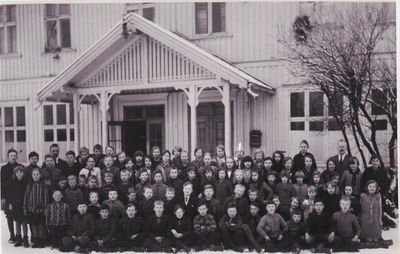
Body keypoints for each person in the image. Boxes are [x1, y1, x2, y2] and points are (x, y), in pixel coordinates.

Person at [23, 168, 49, 248]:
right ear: (32, 175)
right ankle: (36, 239)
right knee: (34, 225)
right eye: (34, 174)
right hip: (32, 209)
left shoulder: (44, 185)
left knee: (41, 225)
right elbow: (26, 197)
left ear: (40, 175)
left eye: (37, 174)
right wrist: (25, 207)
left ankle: (41, 240)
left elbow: (46, 197)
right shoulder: (29, 185)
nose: (36, 176)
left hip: (41, 210)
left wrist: (45, 208)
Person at [9, 166, 28, 247]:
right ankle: (19, 238)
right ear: (15, 173)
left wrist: (26, 205)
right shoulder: (12, 182)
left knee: (24, 222)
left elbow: (27, 195)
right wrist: (10, 203)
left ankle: (25, 238)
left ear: (23, 173)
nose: (19, 174)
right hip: (15, 205)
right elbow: (10, 194)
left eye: (21, 172)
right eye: (17, 172)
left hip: (23, 205)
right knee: (17, 222)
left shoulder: (26, 182)